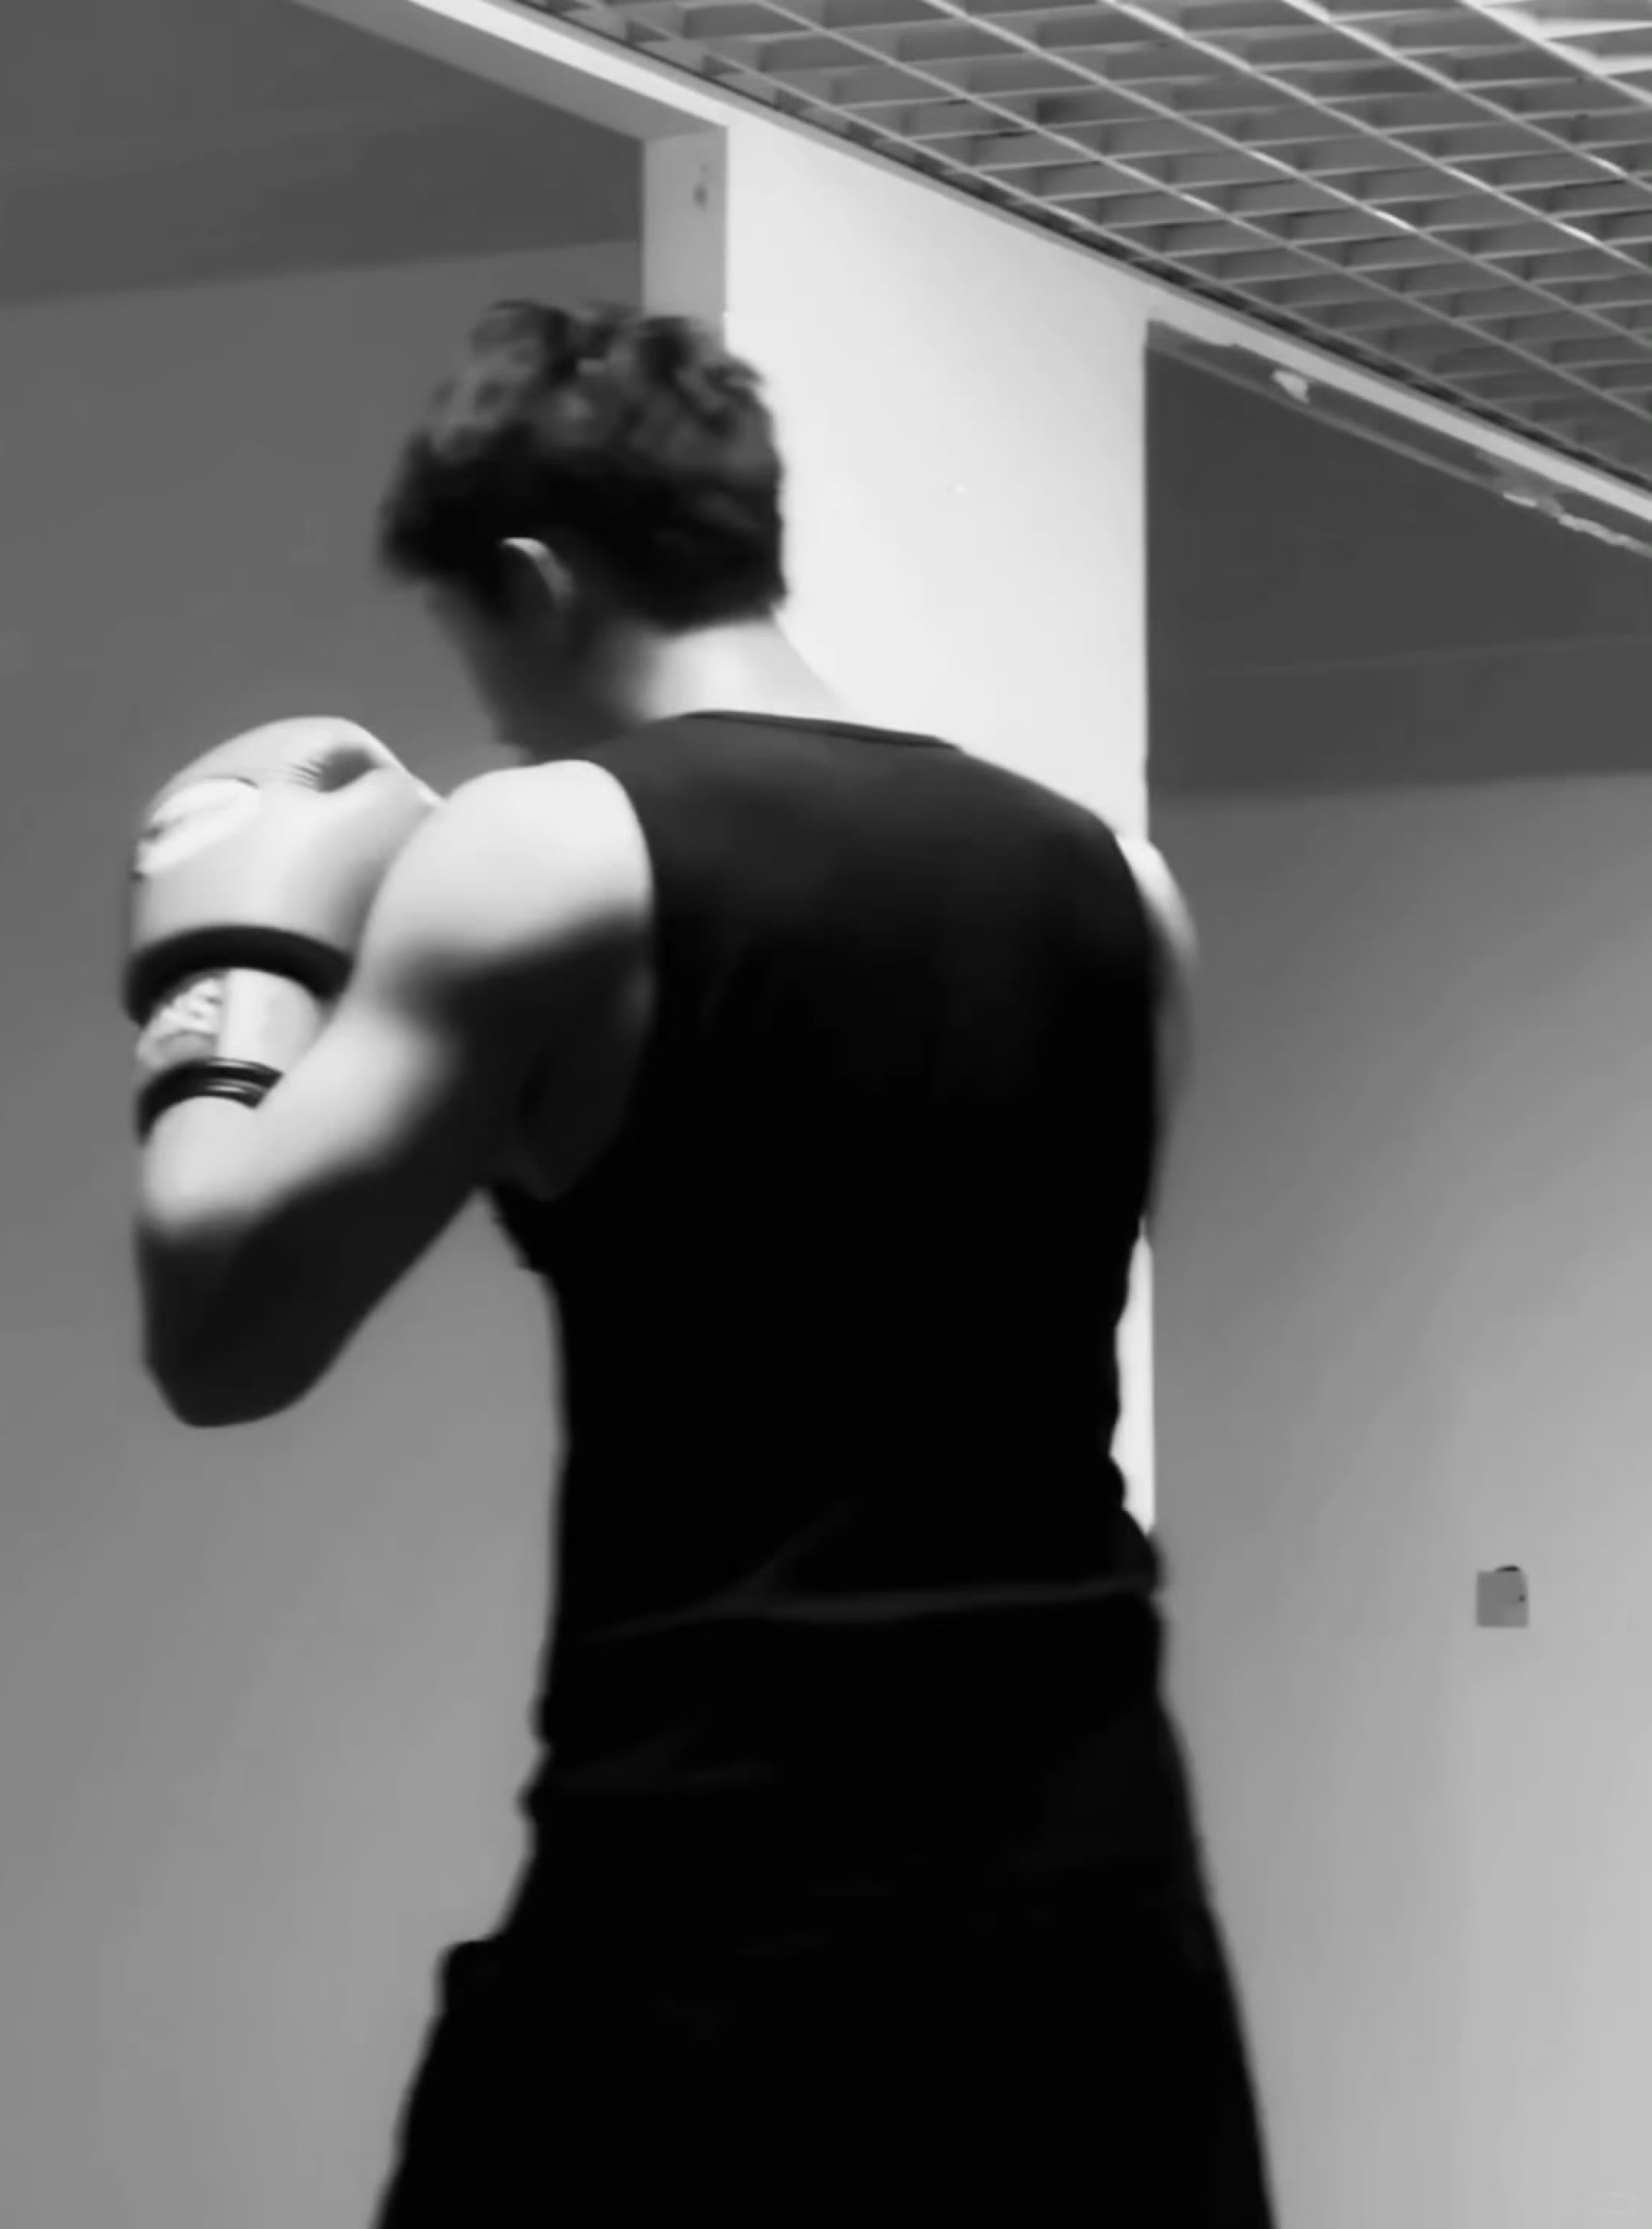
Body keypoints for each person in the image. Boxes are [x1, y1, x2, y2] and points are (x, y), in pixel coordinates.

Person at [125, 302, 1277, 2227]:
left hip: (723, 1880)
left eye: (477, 648)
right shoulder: (1116, 884)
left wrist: (223, 982)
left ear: (531, 581)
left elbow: (222, 1328)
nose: (499, 715)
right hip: (1099, 1901)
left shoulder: (546, 851)